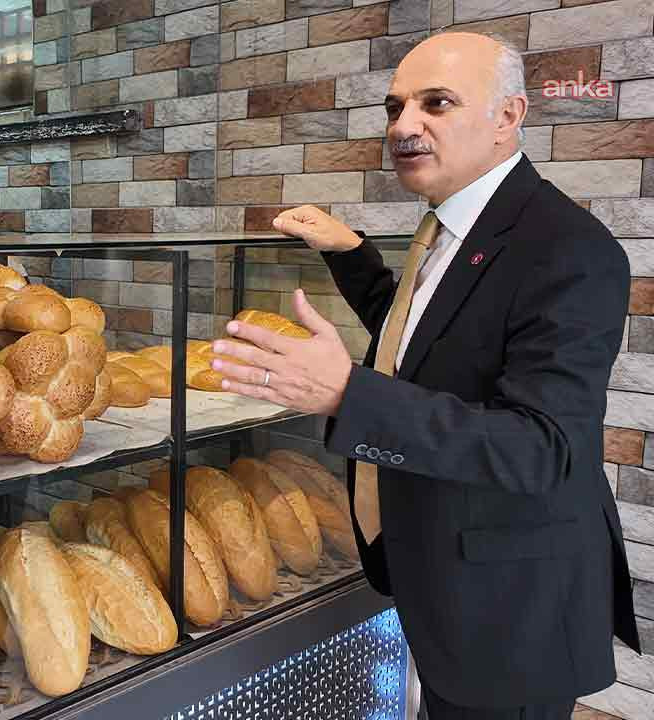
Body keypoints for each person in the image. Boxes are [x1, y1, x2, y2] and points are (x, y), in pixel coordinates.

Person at [208, 31, 642, 719]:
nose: (405, 125)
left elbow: (542, 447)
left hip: (510, 614)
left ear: (508, 116)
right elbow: (423, 341)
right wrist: (352, 253)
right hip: (444, 582)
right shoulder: (449, 229)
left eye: (436, 103)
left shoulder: (569, 250)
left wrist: (347, 395)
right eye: (395, 107)